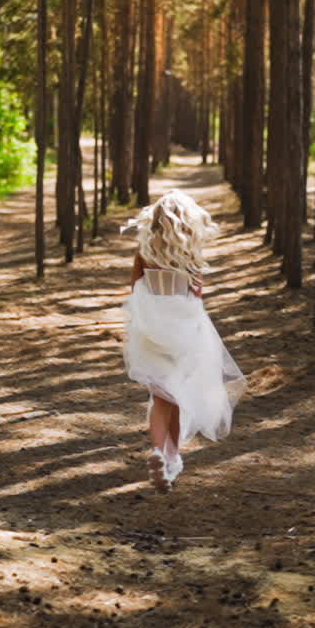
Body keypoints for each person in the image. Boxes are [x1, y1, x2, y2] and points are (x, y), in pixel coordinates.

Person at [121, 190, 245, 492]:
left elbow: (135, 284)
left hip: (152, 328)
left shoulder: (145, 250)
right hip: (183, 327)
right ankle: (171, 457)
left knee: (160, 396)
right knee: (178, 395)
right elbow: (196, 293)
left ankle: (157, 451)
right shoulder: (188, 253)